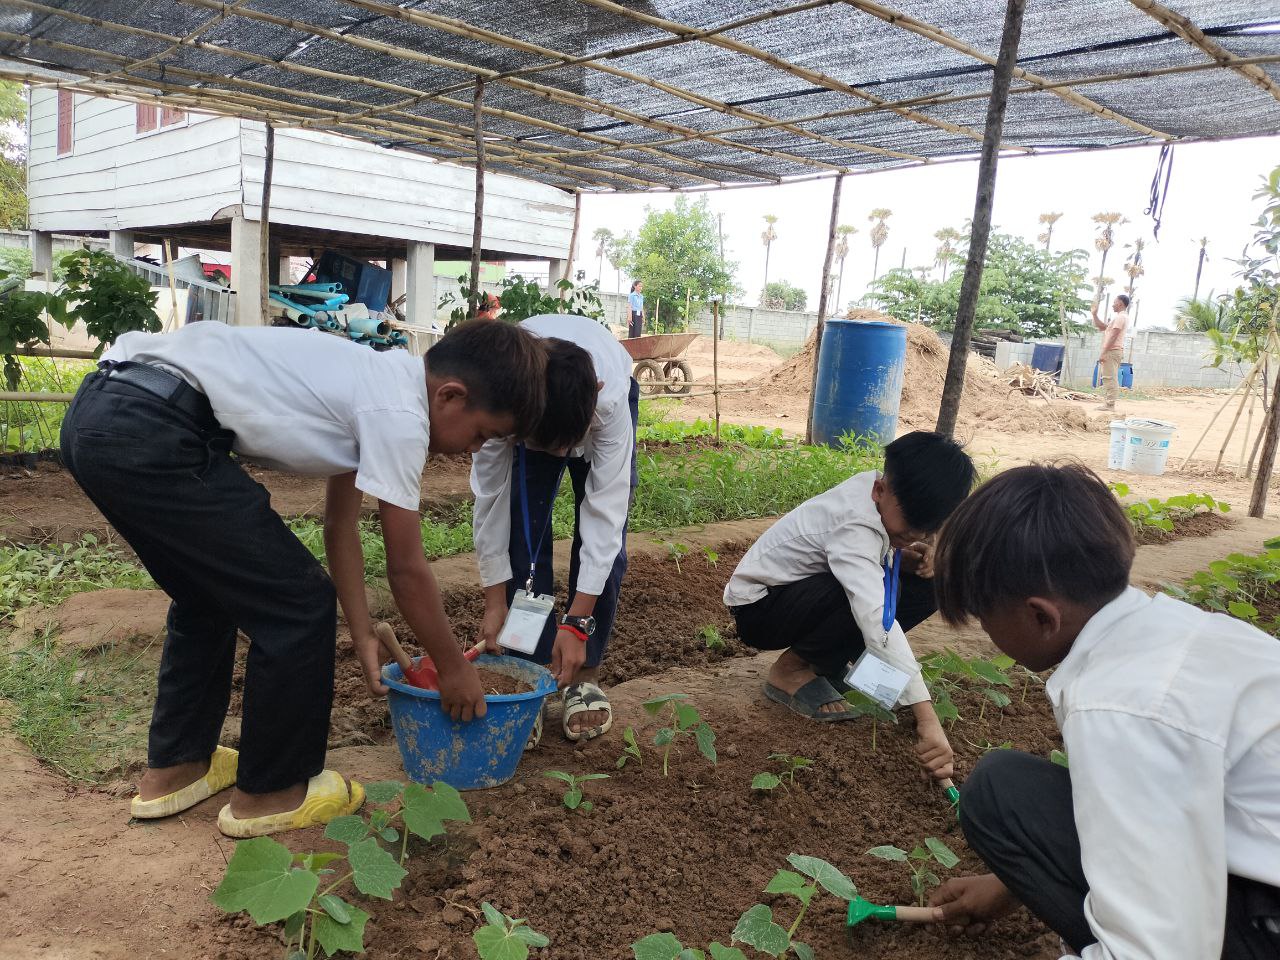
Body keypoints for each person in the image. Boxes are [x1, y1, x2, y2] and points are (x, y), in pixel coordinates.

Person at [60, 319, 546, 837]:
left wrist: (361, 633)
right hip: (153, 428)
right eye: (481, 434)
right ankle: (272, 791)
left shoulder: (376, 381)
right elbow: (406, 569)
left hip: (104, 416)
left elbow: (341, 524)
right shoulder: (402, 415)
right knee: (297, 602)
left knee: (206, 596)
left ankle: (177, 768)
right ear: (451, 396)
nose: (473, 450)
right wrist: (453, 667)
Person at [929, 463, 1280, 959]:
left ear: (1040, 616)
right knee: (1009, 788)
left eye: (986, 618)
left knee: (996, 789)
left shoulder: (1122, 706)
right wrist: (1008, 887)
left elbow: (1157, 952)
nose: (988, 635)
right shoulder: (1181, 633)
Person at [723, 431, 976, 780]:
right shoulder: (855, 525)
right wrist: (926, 716)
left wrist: (902, 551)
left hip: (803, 593)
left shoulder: (884, 500)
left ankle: (835, 665)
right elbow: (875, 617)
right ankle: (791, 672)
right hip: (761, 608)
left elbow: (887, 549)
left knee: (926, 582)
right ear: (879, 491)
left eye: (926, 530)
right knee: (863, 595)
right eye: (908, 529)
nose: (915, 537)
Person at [472, 313, 638, 744]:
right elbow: (491, 503)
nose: (560, 455)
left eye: (566, 444)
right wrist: (494, 600)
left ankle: (584, 672)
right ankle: (529, 676)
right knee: (524, 538)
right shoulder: (502, 397)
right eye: (546, 446)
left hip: (587, 402)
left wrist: (577, 622)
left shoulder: (610, 401)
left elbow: (606, 517)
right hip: (532, 401)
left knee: (606, 544)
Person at [1091, 293, 1130, 412]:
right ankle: (1108, 403)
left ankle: (1109, 405)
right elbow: (1103, 327)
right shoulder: (1119, 317)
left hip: (1112, 351)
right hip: (1114, 351)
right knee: (1109, 377)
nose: (1112, 305)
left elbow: (1113, 335)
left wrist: (1104, 352)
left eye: (1114, 302)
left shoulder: (1120, 318)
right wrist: (1094, 315)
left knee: (1110, 377)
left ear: (1120, 303)